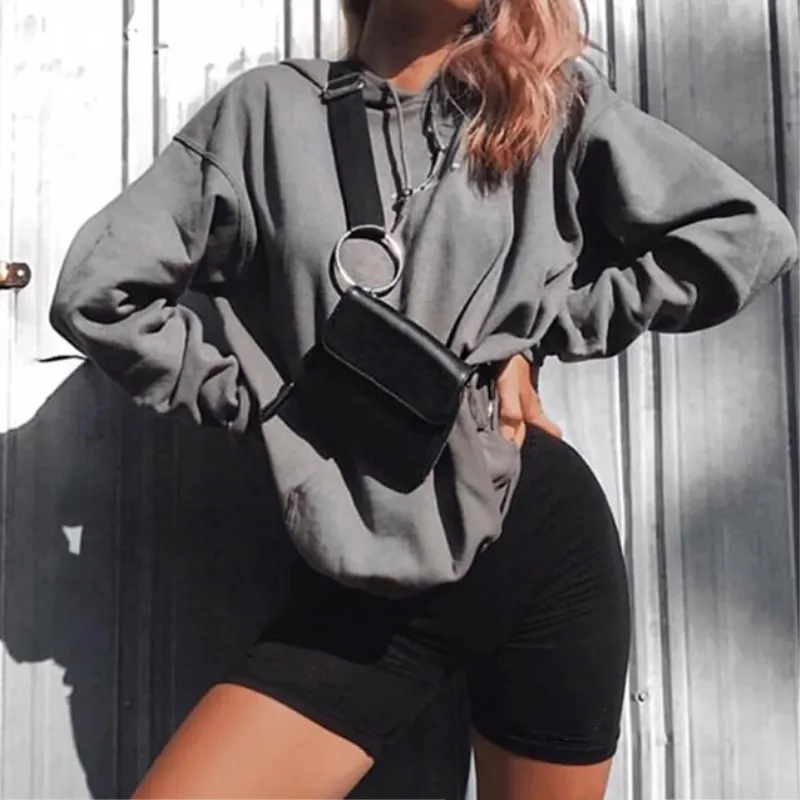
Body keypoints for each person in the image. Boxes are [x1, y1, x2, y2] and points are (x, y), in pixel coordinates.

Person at [48, 0, 798, 797]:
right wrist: (263, 405)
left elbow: (746, 235)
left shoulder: (550, 107)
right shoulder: (267, 112)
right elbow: (100, 295)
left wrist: (535, 331)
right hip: (366, 564)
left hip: (538, 537)